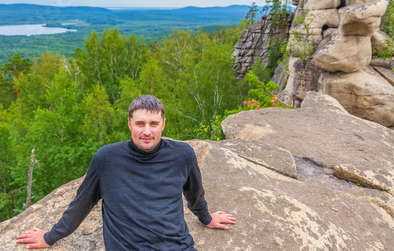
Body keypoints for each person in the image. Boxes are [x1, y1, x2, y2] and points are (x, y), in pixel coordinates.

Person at [16, 95, 235, 250]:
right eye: (140, 123)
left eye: (153, 123)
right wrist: (50, 237)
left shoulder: (182, 155)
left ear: (163, 124)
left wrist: (206, 217)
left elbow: (194, 193)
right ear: (129, 123)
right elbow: (82, 203)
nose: (147, 131)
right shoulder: (107, 159)